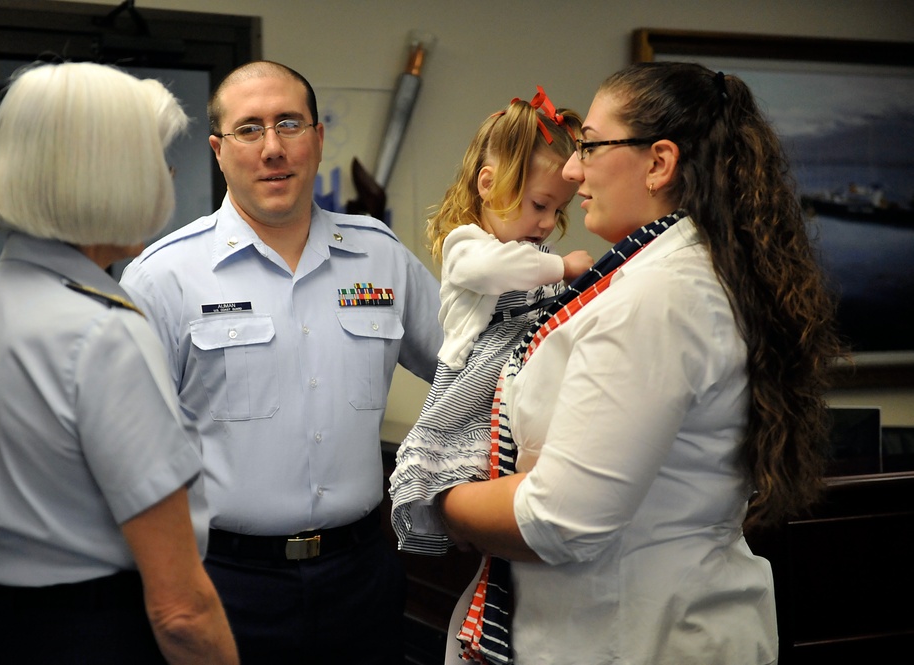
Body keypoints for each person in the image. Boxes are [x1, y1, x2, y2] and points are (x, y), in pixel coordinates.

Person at [438, 61, 843, 664]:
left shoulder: (657, 295)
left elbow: (558, 519)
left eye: (591, 147)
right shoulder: (672, 271)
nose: (573, 172)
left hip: (636, 634)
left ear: (659, 163)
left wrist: (437, 494)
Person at [120, 60, 443, 663]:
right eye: (249, 129)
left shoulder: (379, 256)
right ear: (218, 151)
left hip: (362, 576)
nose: (272, 148)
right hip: (227, 582)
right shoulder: (163, 276)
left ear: (318, 139)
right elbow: (127, 454)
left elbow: (468, 368)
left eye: (289, 124)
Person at [0, 62, 237, 664]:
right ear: (107, 175)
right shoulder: (102, 331)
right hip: (100, 637)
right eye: (153, 159)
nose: (167, 177)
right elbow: (180, 610)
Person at [389, 86, 591, 555]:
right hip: (478, 369)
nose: (546, 223)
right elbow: (494, 272)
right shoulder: (468, 244)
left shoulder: (534, 253)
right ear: (487, 184)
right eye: (539, 205)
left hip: (520, 368)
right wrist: (563, 268)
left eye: (557, 211)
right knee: (462, 457)